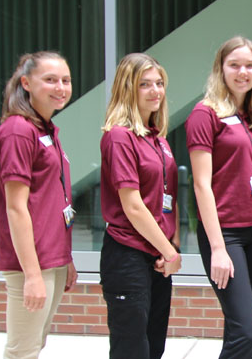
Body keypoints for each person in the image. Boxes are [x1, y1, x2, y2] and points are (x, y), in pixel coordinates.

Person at [185, 36, 252, 359]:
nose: (243, 72)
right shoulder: (205, 114)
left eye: (250, 65)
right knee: (246, 331)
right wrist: (217, 248)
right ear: (220, 69)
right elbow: (201, 185)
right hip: (225, 234)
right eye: (234, 65)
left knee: (236, 326)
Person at [0, 51, 79, 359]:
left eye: (65, 80)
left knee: (35, 344)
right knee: (22, 350)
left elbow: (53, 200)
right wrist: (31, 275)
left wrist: (64, 257)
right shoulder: (18, 131)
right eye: (50, 80)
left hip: (50, 259)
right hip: (30, 263)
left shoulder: (45, 129)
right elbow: (15, 207)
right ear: (26, 83)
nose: (61, 87)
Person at [99, 53, 182, 359]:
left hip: (156, 257)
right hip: (128, 254)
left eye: (159, 83)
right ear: (127, 88)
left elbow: (164, 200)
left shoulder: (157, 138)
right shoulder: (120, 137)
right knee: (132, 350)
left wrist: (166, 249)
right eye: (144, 84)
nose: (155, 90)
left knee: (154, 346)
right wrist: (170, 251)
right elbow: (133, 206)